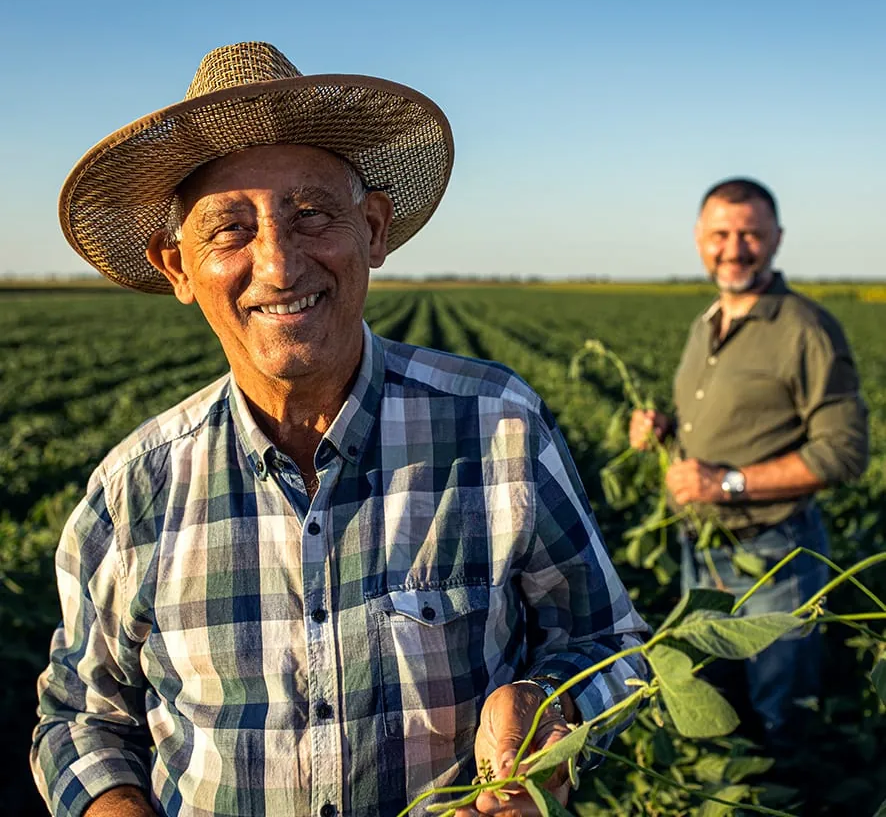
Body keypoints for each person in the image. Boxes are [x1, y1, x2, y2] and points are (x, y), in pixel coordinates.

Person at [31, 42, 649, 817]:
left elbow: (615, 647)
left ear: (375, 229)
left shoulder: (497, 427)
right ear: (177, 269)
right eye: (229, 230)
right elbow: (82, 719)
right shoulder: (135, 490)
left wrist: (549, 710)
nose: (281, 264)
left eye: (312, 214)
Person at [630, 177, 869, 760]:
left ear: (776, 239)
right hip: (703, 551)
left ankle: (787, 795)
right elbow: (715, 420)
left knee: (778, 709)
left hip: (774, 557)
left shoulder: (805, 329)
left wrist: (725, 483)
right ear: (698, 239)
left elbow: (844, 452)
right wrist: (664, 427)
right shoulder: (705, 323)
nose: (734, 248)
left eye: (751, 234)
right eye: (720, 234)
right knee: (717, 699)